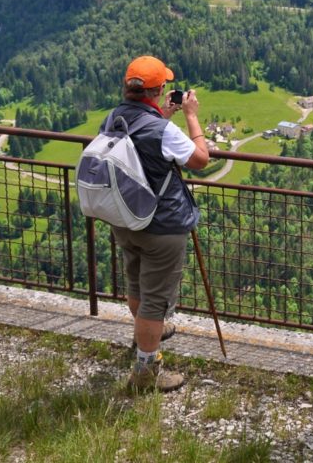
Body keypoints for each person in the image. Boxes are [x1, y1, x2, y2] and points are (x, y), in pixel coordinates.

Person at [107, 55, 210, 392]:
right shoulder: (163, 130)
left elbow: (139, 147)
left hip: (125, 218)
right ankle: (146, 371)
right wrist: (192, 118)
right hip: (162, 225)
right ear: (158, 89)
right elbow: (199, 160)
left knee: (136, 283)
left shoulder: (114, 119)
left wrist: (162, 115)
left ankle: (143, 341)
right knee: (155, 300)